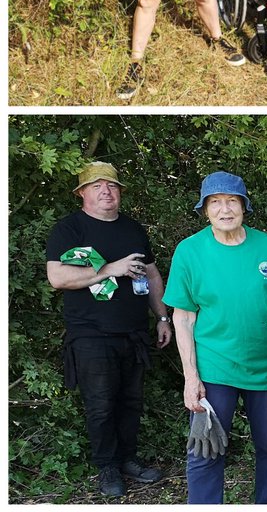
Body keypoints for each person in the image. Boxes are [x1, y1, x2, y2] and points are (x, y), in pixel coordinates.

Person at [165, 170, 267, 504]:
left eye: (232, 201)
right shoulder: (189, 251)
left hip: (266, 367)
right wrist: (190, 377)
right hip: (215, 367)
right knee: (206, 447)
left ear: (244, 206)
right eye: (216, 202)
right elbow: (184, 318)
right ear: (205, 209)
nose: (225, 209)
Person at [45, 162, 172, 498]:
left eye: (112, 186)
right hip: (90, 335)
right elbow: (58, 277)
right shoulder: (69, 229)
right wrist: (110, 268)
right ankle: (107, 467)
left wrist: (162, 318)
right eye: (97, 186)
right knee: (100, 405)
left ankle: (128, 459)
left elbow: (153, 275)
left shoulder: (133, 229)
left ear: (120, 193)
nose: (106, 191)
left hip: (133, 332)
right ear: (82, 193)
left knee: (131, 402)